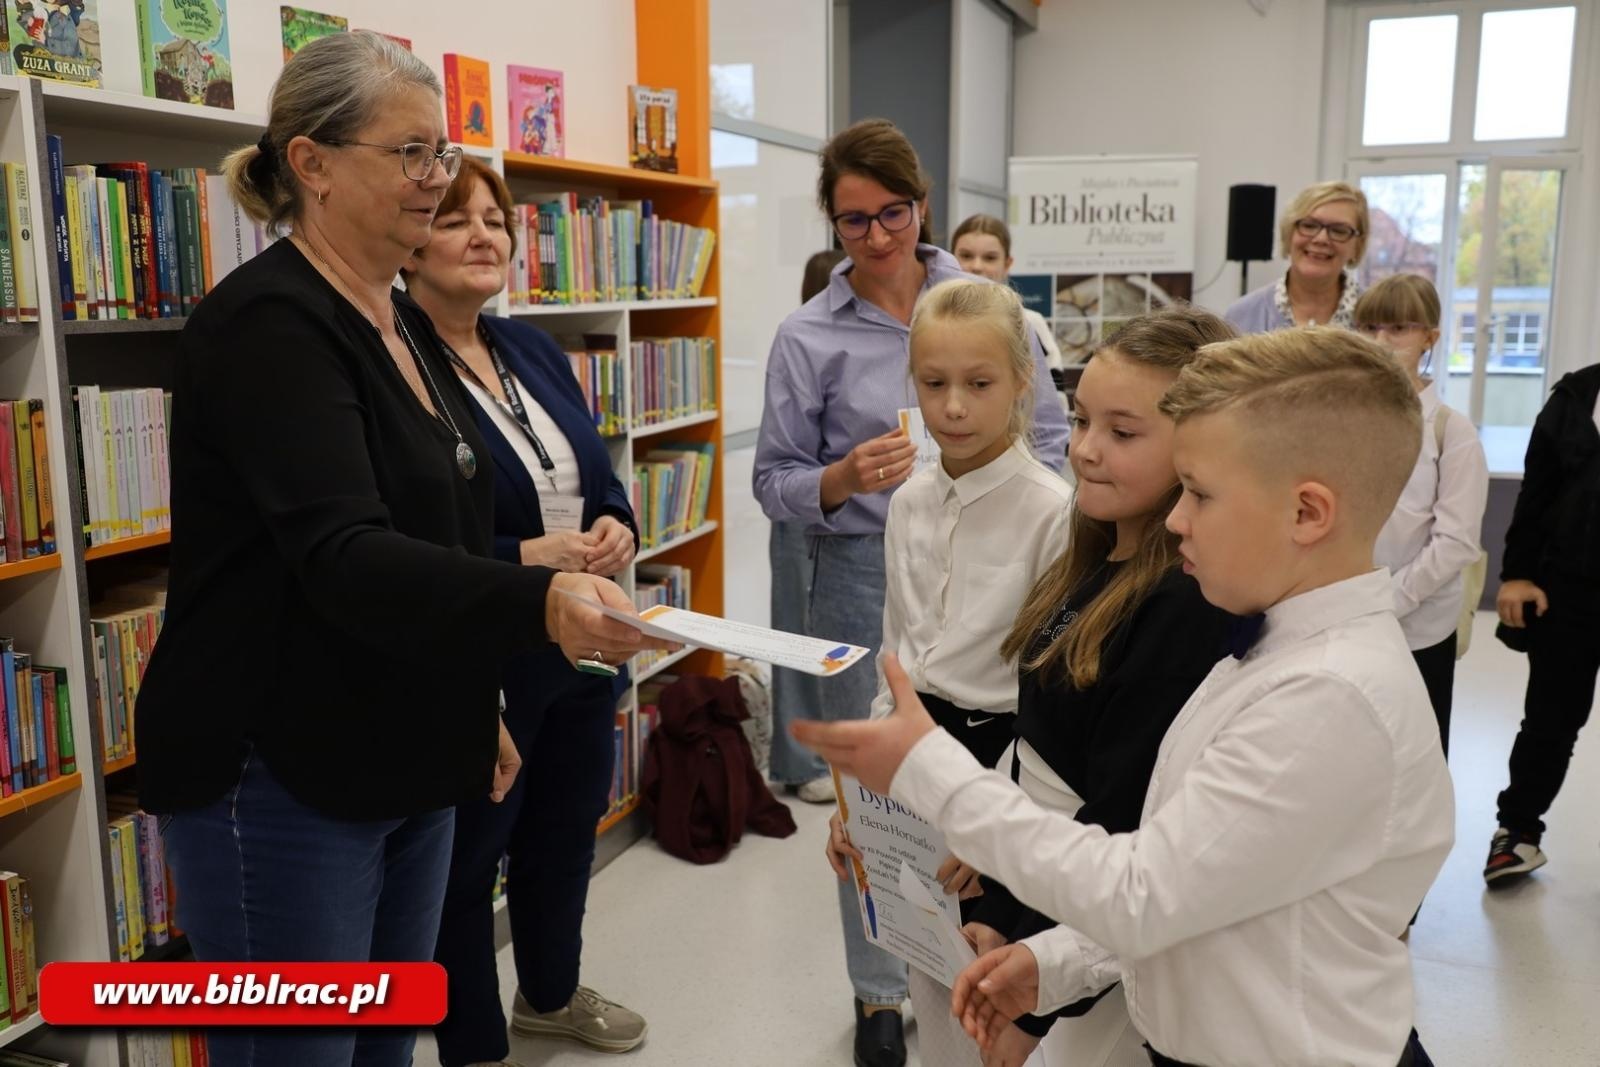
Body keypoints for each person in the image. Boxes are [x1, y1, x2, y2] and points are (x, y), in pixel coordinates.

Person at [133, 33, 665, 1067]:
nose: (435, 180)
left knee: (384, 1045)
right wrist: (540, 604)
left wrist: (471, 703)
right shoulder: (270, 327)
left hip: (408, 751)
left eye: (443, 152)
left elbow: (442, 529)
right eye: (412, 155)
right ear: (313, 163)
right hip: (281, 773)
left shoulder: (400, 321)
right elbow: (346, 552)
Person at [796, 327, 1455, 1067]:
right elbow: (1198, 884)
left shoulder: (1327, 698)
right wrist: (1055, 965)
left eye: (1200, 493)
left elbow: (1141, 890)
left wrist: (928, 772)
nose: (1176, 518)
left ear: (1307, 512)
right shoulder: (1275, 650)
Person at [753, 118, 1069, 1067]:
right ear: (833, 227)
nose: (878, 235)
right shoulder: (810, 332)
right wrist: (845, 477)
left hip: (1003, 553)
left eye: (892, 212)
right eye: (854, 222)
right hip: (864, 559)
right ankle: (881, 987)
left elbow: (1047, 434)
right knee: (877, 794)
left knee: (972, 805)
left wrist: (1013, 499)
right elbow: (775, 480)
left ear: (920, 203)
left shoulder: (984, 303)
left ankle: (971, 969)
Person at [402, 157, 648, 1060]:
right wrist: (520, 559)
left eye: (496, 220)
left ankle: (547, 993)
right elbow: (397, 535)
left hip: (580, 640)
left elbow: (595, 469)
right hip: (482, 654)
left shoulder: (532, 348)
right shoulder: (397, 360)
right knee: (468, 864)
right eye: (455, 217)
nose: (483, 234)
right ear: (409, 241)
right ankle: (474, 1045)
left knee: (560, 835)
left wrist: (616, 522)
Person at [954, 308, 1238, 1067]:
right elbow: (1046, 754)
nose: (1084, 450)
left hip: (1096, 963)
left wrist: (1038, 999)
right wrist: (996, 878)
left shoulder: (1182, 606)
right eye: (1081, 420)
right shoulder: (1094, 553)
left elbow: (1121, 825)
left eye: (1123, 432)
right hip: (1043, 908)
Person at [822, 278, 1073, 1067]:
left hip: (999, 763)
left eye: (979, 383)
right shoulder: (908, 501)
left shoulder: (1052, 511)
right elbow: (894, 656)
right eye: (934, 384)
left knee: (988, 990)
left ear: (1021, 383)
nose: (954, 406)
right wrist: (859, 800)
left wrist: (997, 812)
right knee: (928, 970)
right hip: (909, 757)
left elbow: (1053, 698)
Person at [1358, 274, 1488, 762]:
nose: (1381, 341)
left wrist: (1389, 603)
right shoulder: (1346, 421)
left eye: (1398, 329)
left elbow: (1455, 541)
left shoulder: (1451, 431)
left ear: (1429, 338)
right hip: (1349, 615)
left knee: (1416, 758)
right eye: (1369, 327)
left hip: (1417, 627)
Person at [1483, 360, 1600, 885]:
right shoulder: (1576, 397)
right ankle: (1518, 833)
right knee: (1551, 720)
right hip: (1567, 591)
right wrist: (1516, 575)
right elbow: (1537, 494)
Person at [767, 246, 851, 808]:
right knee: (796, 633)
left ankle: (823, 752)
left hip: (840, 519)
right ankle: (801, 760)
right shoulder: (801, 342)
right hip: (804, 513)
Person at [1225, 180, 1368, 333]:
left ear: (1357, 245)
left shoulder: (1380, 320)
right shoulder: (1241, 316)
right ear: (1289, 233)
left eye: (1339, 230)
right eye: (1309, 225)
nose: (1321, 239)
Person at [949, 213, 1064, 374]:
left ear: (1007, 264)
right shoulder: (931, 318)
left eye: (989, 258)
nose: (976, 266)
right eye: (966, 256)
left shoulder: (1029, 323)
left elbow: (1054, 395)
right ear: (950, 259)